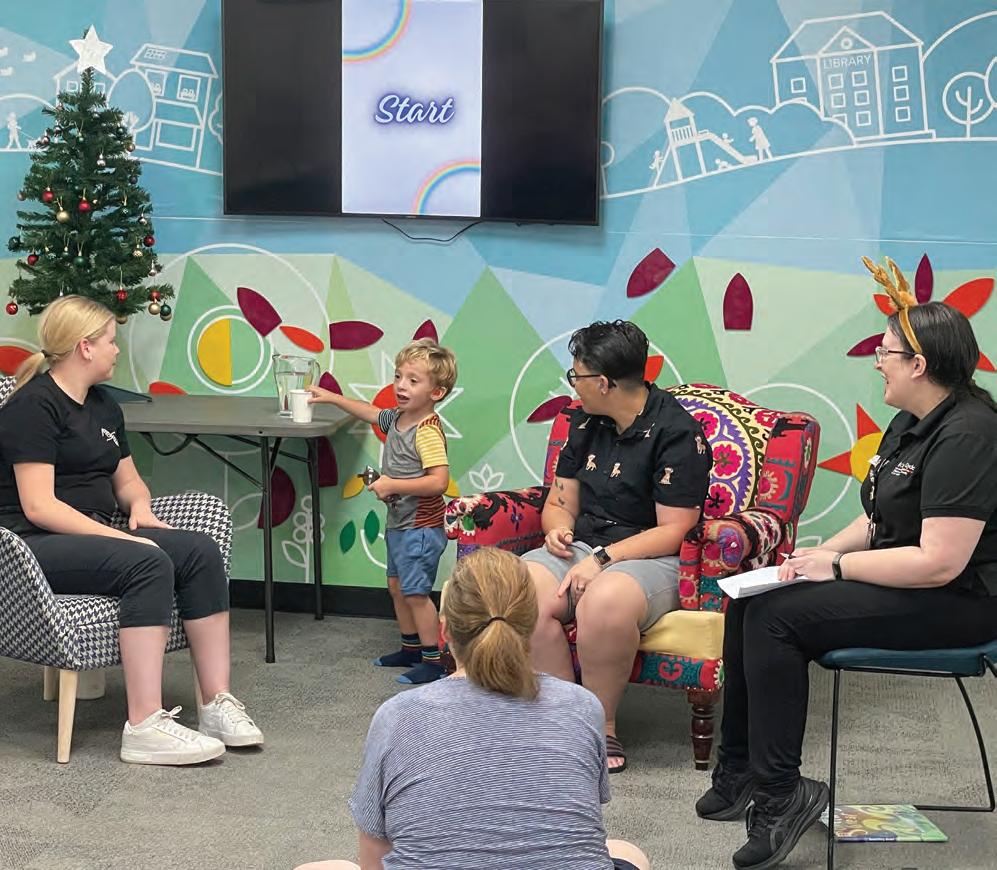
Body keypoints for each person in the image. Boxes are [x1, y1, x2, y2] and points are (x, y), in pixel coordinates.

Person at [697, 261, 997, 870]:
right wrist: (814, 557)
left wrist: (836, 570)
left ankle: (781, 794)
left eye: (885, 353)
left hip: (961, 601)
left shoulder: (970, 434)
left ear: (919, 364)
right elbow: (877, 519)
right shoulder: (910, 422)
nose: (877, 362)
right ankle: (741, 768)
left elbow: (939, 563)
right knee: (751, 598)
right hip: (908, 579)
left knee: (778, 620)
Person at [0, 295, 263, 764]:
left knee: (199, 551)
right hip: (31, 544)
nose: (116, 350)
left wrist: (140, 508)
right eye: (110, 341)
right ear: (84, 347)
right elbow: (40, 507)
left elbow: (127, 481)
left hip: (91, 533)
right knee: (147, 561)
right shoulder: (33, 407)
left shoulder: (103, 405)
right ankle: (144, 725)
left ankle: (216, 703)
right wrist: (122, 539)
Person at [345, 547, 651, 870]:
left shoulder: (396, 716)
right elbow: (573, 832)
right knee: (628, 852)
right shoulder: (583, 706)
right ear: (530, 625)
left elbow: (374, 857)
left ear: (445, 631)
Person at [523, 320, 712, 772]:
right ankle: (564, 720)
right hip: (584, 545)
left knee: (604, 600)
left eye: (577, 375)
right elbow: (560, 502)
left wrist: (603, 560)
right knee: (519, 588)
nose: (573, 384)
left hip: (653, 556)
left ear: (604, 383)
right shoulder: (582, 422)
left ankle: (601, 725)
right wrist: (557, 529)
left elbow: (674, 529)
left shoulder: (677, 433)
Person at [308, 338, 456, 684]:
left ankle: (433, 661)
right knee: (396, 586)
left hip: (421, 527)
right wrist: (332, 397)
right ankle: (410, 648)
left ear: (436, 392)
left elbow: (439, 482)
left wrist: (392, 484)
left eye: (413, 380)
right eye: (398, 376)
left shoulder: (427, 431)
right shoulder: (398, 419)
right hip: (400, 523)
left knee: (416, 593)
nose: (401, 386)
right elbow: (371, 413)